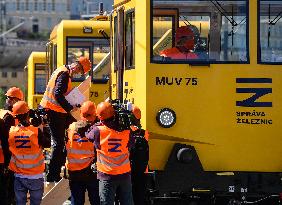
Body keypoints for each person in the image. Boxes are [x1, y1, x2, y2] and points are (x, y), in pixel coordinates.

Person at [40, 56, 92, 182]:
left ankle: (55, 172)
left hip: (54, 111)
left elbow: (60, 93)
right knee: (58, 145)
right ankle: (53, 175)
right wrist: (70, 108)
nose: (78, 74)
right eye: (79, 72)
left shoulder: (62, 70)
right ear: (77, 66)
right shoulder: (65, 75)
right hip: (54, 112)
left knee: (60, 143)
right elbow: (57, 94)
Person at [86, 101, 134, 205]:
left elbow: (88, 135)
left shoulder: (97, 131)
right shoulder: (127, 131)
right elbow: (131, 145)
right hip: (124, 174)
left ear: (100, 116)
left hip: (107, 175)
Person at [8, 101, 51, 205]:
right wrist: (43, 126)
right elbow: (48, 143)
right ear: (28, 114)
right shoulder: (35, 132)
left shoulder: (12, 132)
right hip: (35, 177)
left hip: (19, 177)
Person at [66, 101, 99, 205]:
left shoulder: (71, 128)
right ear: (95, 114)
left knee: (76, 201)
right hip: (91, 172)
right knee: (95, 201)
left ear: (81, 113)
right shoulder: (97, 129)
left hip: (74, 172)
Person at [0, 87, 24, 205]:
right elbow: (7, 141)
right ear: (16, 101)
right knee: (6, 193)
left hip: (4, 159)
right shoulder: (9, 117)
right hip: (5, 160)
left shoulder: (2, 112)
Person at [130, 105, 149, 205]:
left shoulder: (127, 132)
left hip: (129, 171)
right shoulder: (144, 133)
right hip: (142, 171)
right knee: (140, 198)